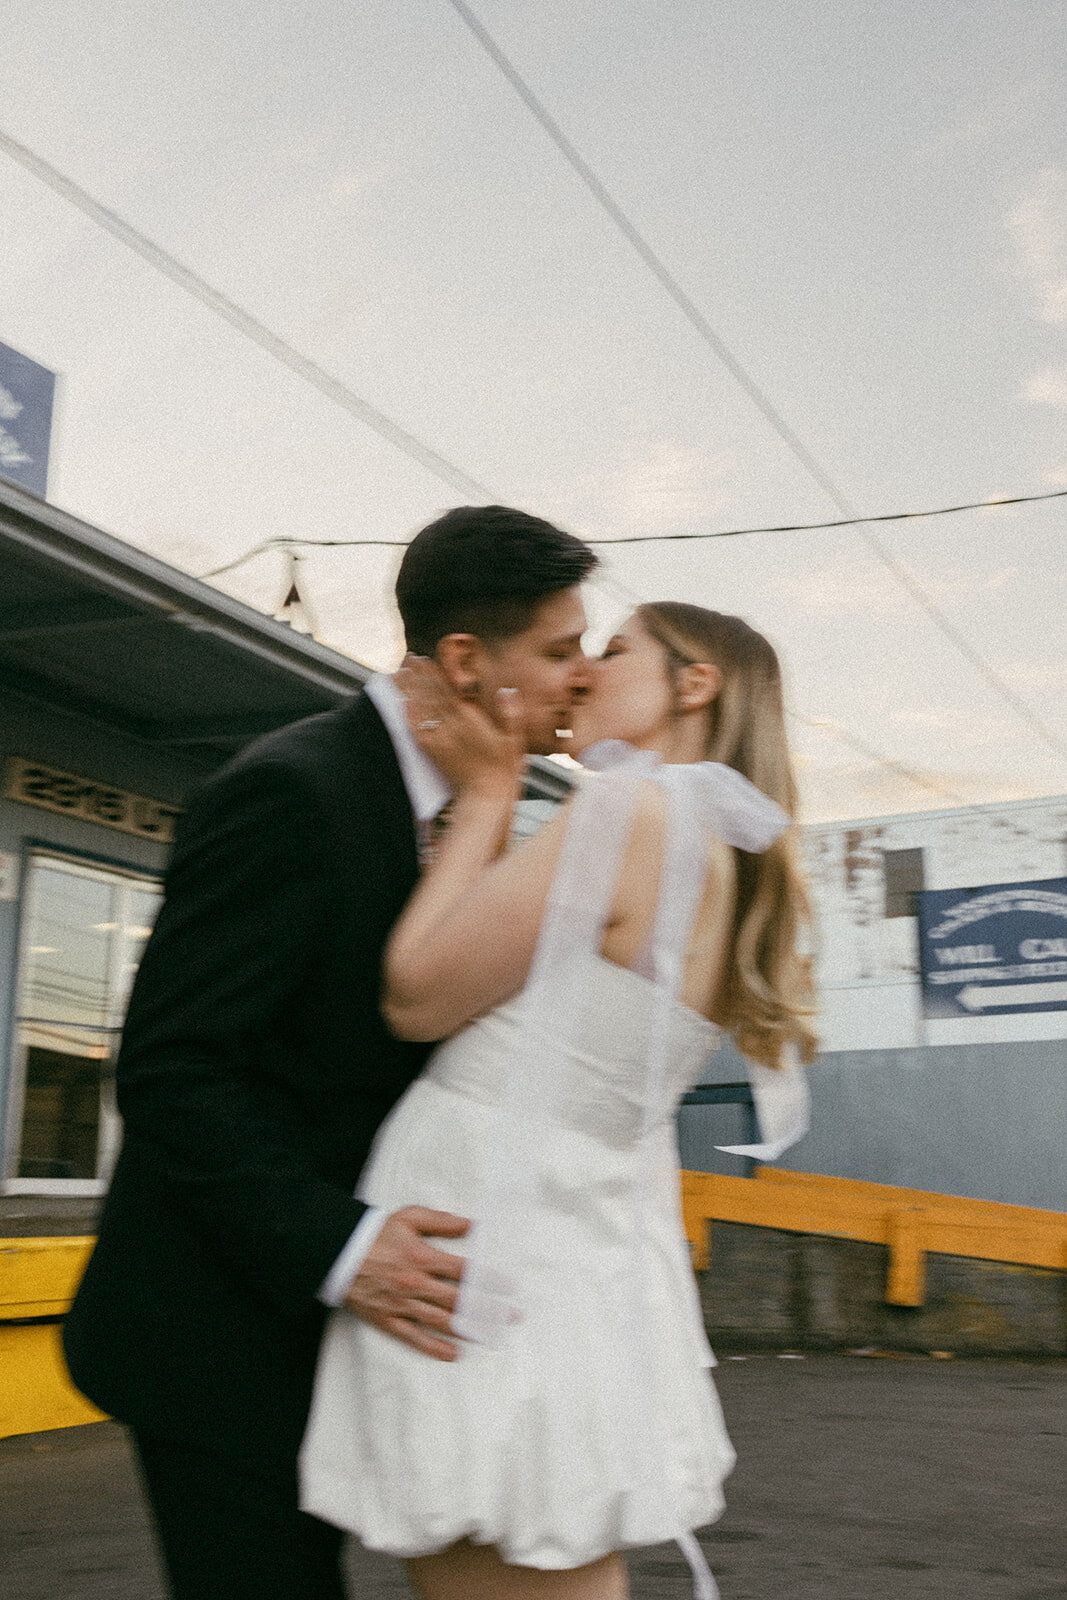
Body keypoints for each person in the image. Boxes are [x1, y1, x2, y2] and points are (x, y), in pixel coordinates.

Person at [62, 504, 600, 1600]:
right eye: (558, 650)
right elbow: (175, 1068)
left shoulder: (469, 813)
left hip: (354, 1338)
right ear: (464, 660)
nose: (580, 679)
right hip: (215, 1339)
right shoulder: (293, 790)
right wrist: (347, 1249)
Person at [299, 601, 817, 1600]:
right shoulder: (725, 848)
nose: (579, 674)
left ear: (693, 682)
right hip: (572, 1239)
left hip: (480, 1233)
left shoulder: (633, 810)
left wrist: (489, 791)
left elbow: (414, 995)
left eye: (613, 651)